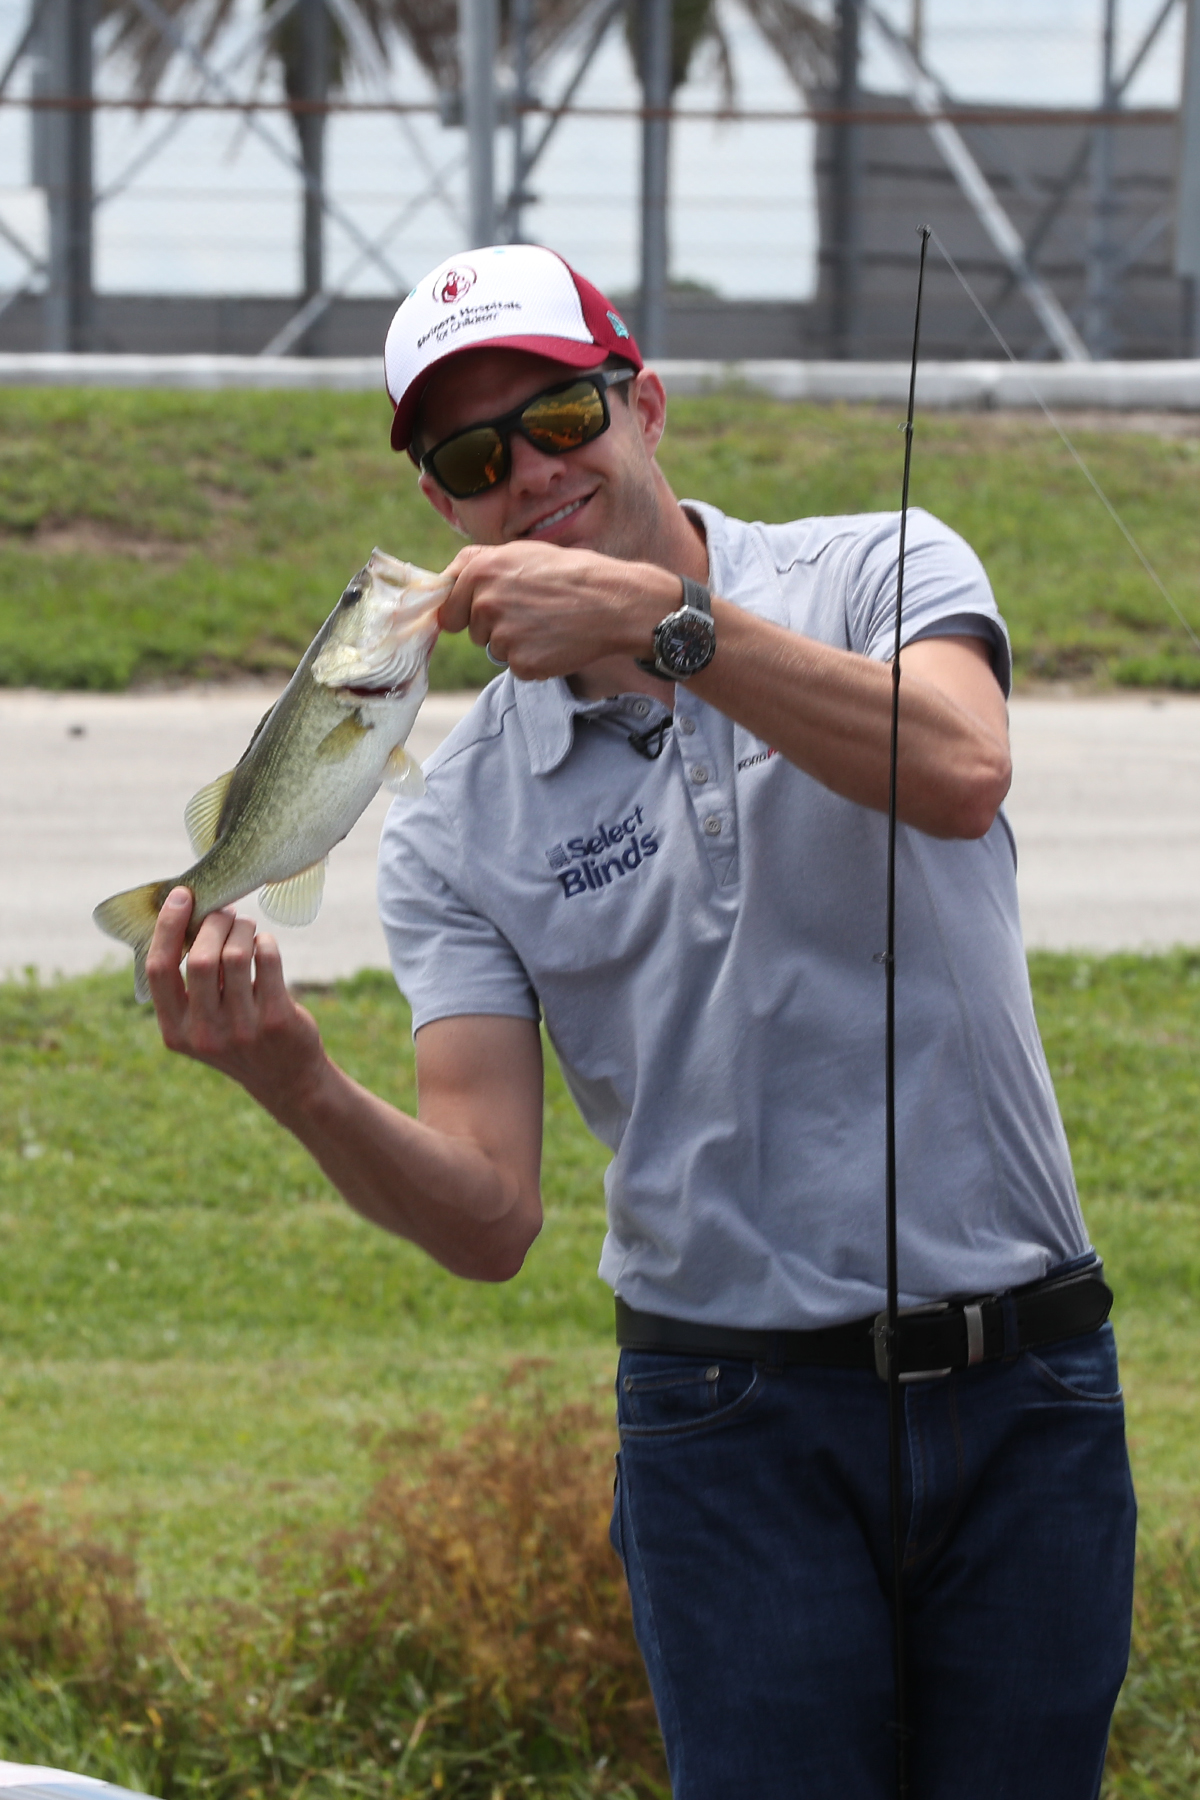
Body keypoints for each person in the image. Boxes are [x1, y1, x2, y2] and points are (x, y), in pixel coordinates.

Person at [146, 243, 1136, 1800]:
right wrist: (296, 1079)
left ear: (646, 401)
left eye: (559, 419)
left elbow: (959, 771)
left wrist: (676, 623)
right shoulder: (454, 817)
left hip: (1028, 1384)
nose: (530, 475)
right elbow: (488, 1216)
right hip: (728, 1424)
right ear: (443, 513)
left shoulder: (877, 568)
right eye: (474, 459)